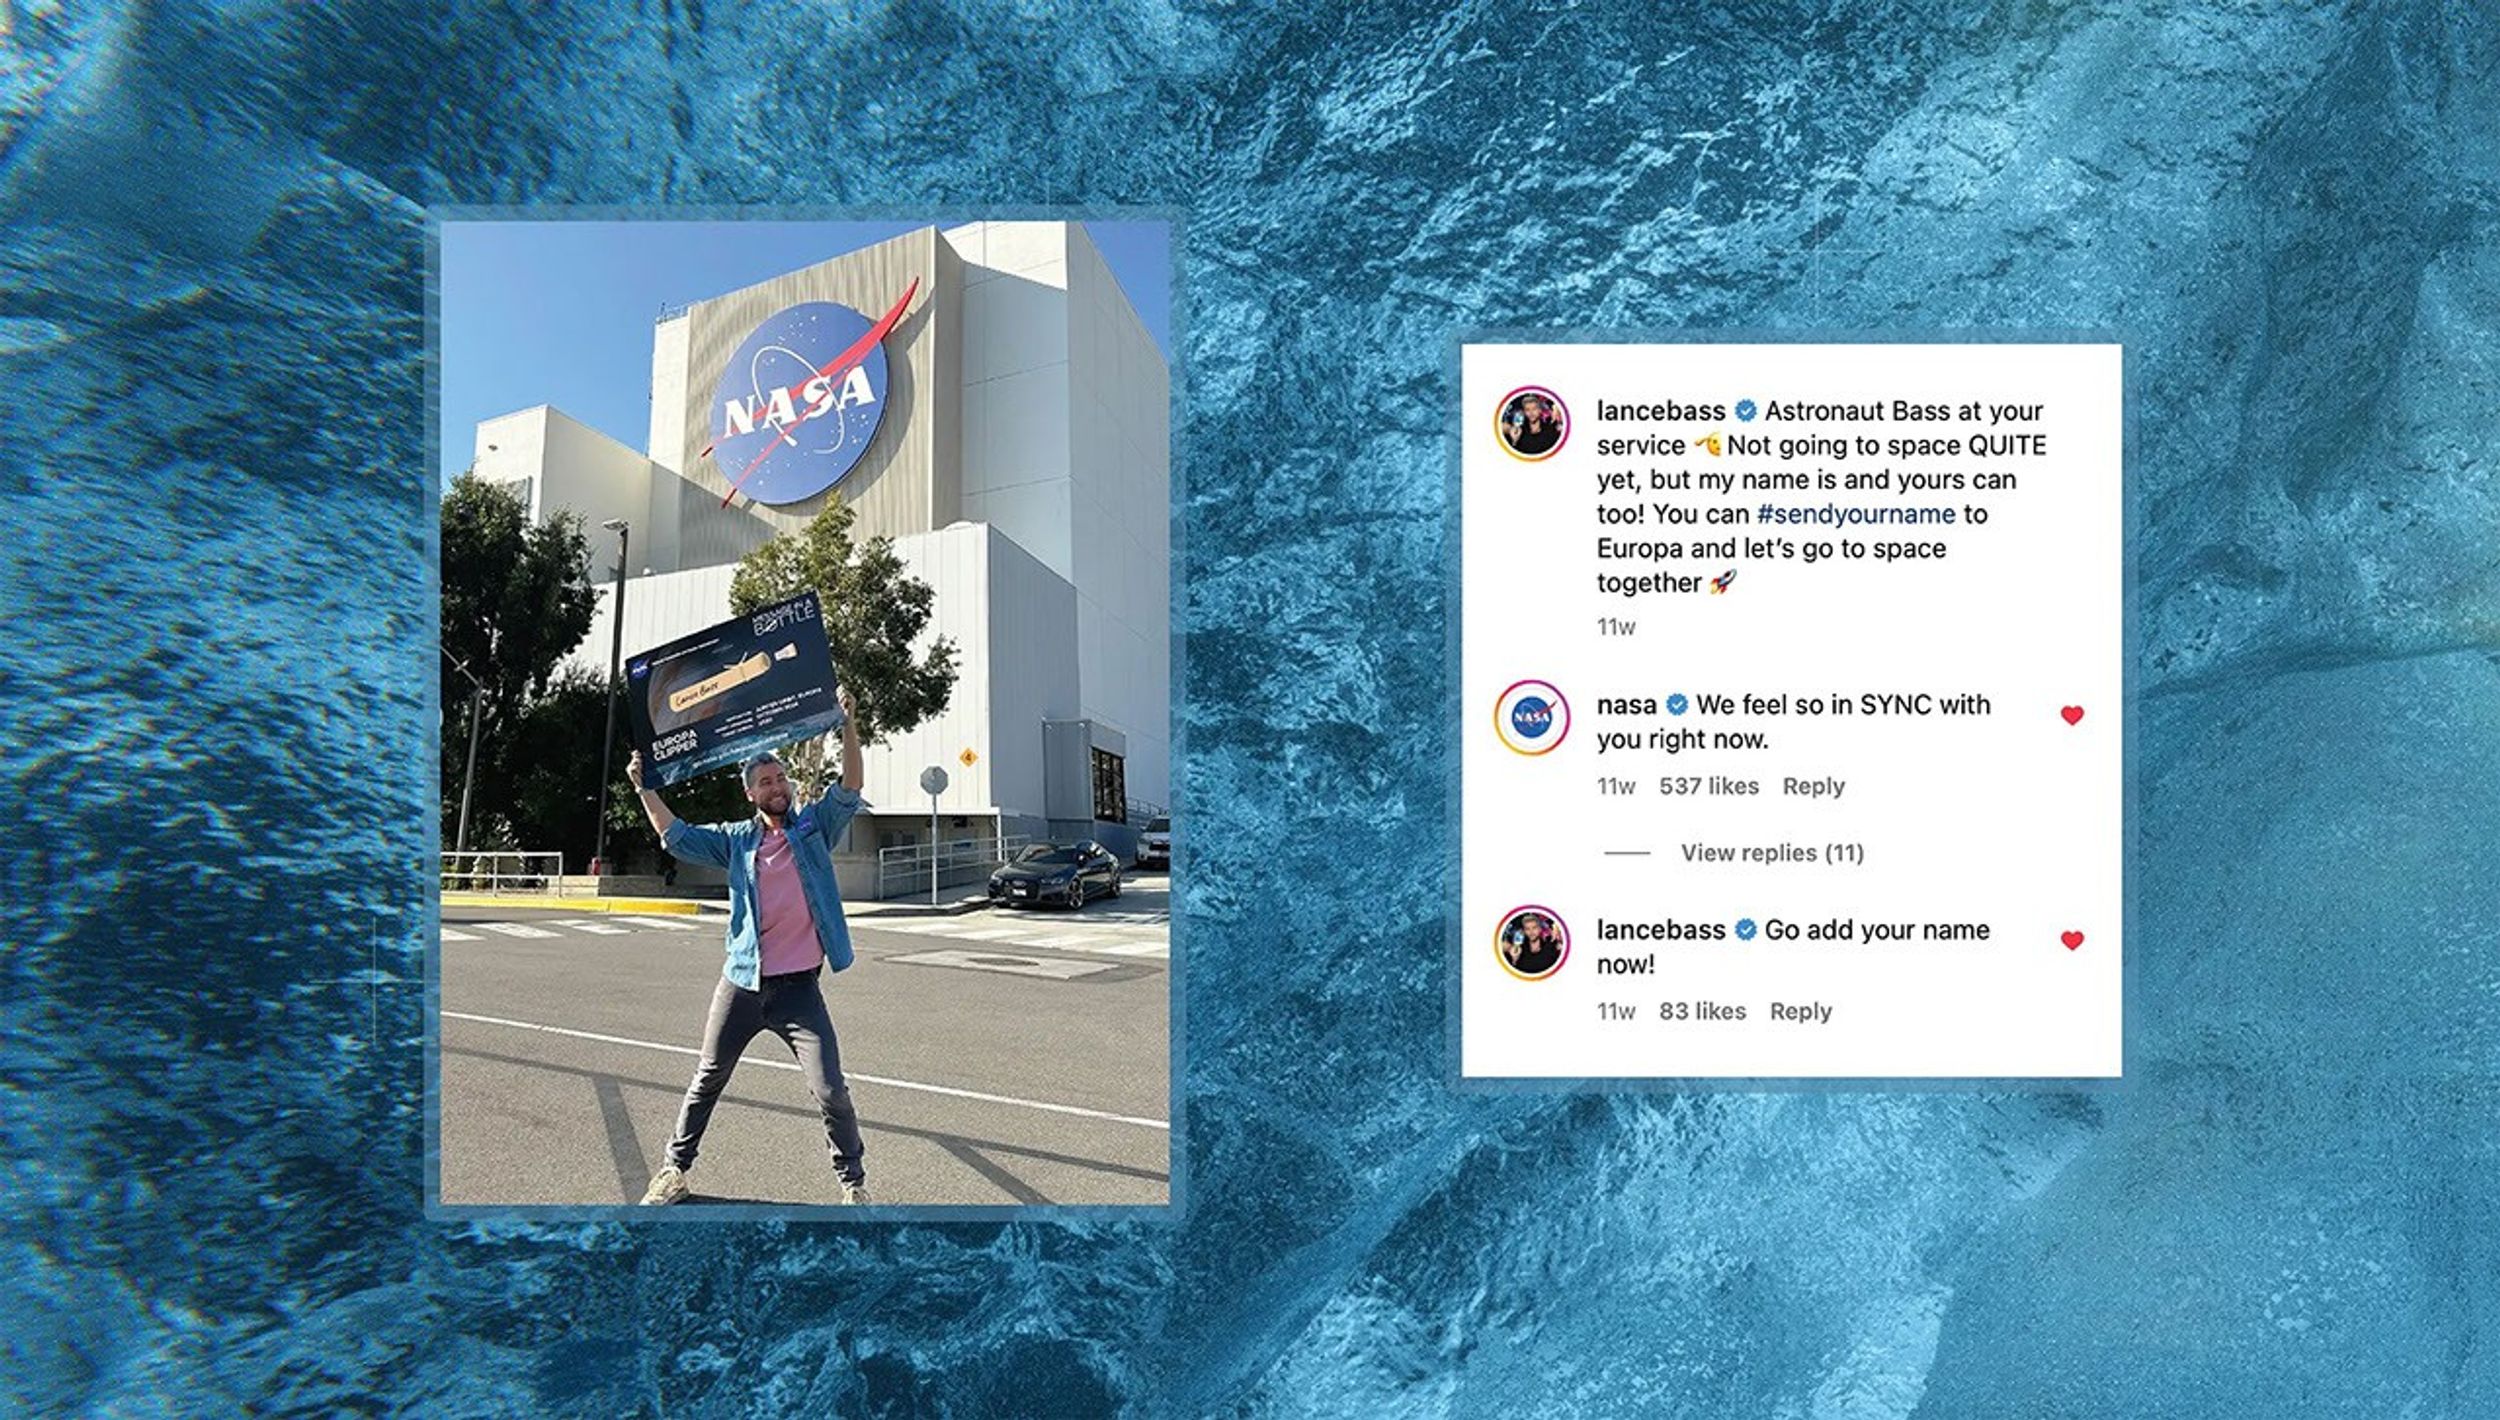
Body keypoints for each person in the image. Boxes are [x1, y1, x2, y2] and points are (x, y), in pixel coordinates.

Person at [625, 688, 872, 1205]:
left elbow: (849, 787)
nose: (777, 786)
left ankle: (854, 1185)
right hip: (740, 985)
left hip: (798, 991)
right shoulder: (737, 840)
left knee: (831, 1090)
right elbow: (677, 835)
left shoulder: (813, 829)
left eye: (781, 778)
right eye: (766, 782)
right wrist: (644, 786)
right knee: (707, 1079)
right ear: (750, 794)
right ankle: (673, 1170)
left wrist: (847, 726)